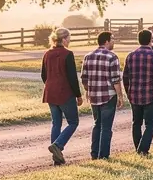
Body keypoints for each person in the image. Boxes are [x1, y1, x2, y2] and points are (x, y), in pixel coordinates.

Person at [80, 30, 124, 159]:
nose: (113, 41)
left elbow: (84, 78)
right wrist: (120, 96)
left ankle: (94, 153)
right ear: (106, 41)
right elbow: (115, 79)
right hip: (108, 96)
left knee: (97, 124)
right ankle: (103, 155)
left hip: (94, 95)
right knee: (106, 127)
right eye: (112, 39)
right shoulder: (112, 57)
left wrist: (88, 90)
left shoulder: (88, 56)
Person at [41, 27, 81, 165]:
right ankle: (58, 145)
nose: (69, 40)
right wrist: (78, 95)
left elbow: (43, 75)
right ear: (64, 39)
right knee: (73, 122)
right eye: (69, 38)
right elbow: (72, 77)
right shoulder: (67, 54)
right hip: (65, 92)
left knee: (56, 123)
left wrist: (51, 85)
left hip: (50, 92)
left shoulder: (47, 54)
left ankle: (56, 159)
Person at [122, 29, 153, 154]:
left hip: (134, 95)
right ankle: (143, 149)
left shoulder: (131, 56)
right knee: (150, 124)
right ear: (151, 40)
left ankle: (138, 148)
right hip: (151, 95)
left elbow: (125, 76)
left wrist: (128, 92)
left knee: (136, 123)